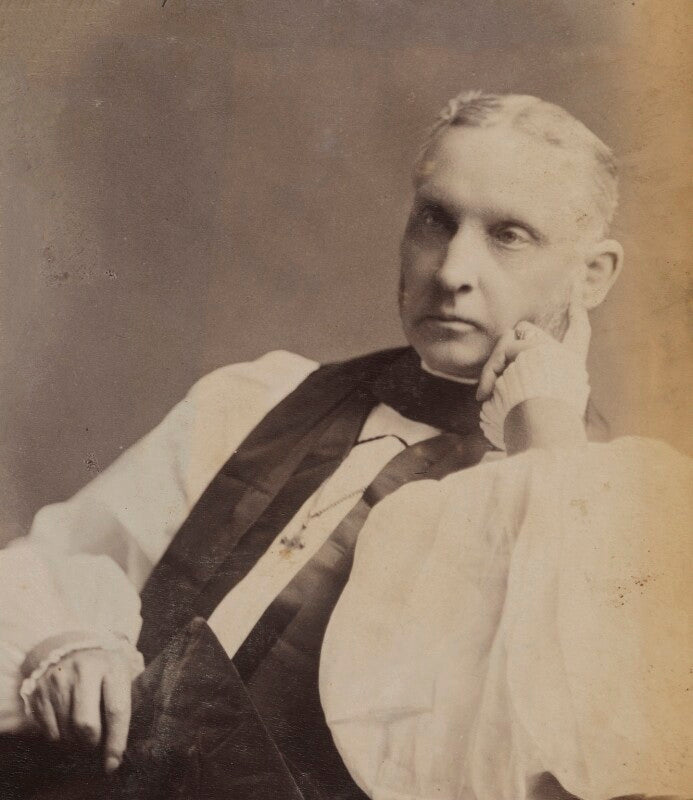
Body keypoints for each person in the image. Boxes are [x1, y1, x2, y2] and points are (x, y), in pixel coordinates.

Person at [0, 91, 690, 799]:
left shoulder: (619, 515)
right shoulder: (261, 400)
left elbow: (592, 741)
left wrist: (545, 435)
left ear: (591, 275)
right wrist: (67, 643)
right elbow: (56, 565)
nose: (452, 271)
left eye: (508, 235)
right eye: (435, 220)